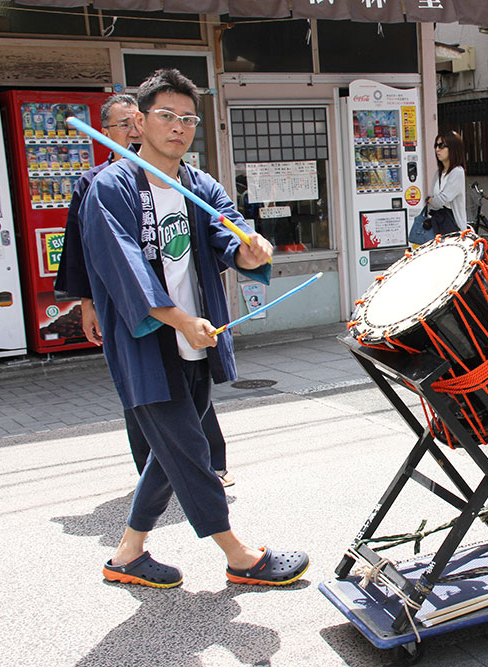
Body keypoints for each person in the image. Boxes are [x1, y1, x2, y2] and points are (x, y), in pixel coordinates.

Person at [80, 69, 308, 588]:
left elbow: (227, 229)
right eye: (166, 115)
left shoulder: (198, 183)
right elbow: (123, 269)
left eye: (188, 118)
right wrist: (179, 318)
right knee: (189, 449)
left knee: (169, 453)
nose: (178, 127)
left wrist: (249, 247)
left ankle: (126, 555)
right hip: (146, 341)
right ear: (138, 121)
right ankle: (240, 557)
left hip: (197, 340)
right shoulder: (109, 188)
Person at [53, 94, 234, 487]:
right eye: (122, 125)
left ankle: (198, 472)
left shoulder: (184, 180)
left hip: (187, 314)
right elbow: (91, 254)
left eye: (135, 122)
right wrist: (88, 303)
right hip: (134, 313)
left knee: (194, 396)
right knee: (146, 394)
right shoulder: (100, 185)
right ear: (106, 132)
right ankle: (171, 486)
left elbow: (212, 236)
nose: (132, 131)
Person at [426, 130, 467, 232]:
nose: (437, 149)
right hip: (438, 224)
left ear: (453, 148)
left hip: (453, 227)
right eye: (436, 145)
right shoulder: (438, 173)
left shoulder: (457, 172)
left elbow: (441, 200)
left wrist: (431, 200)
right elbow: (433, 200)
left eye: (442, 145)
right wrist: (432, 201)